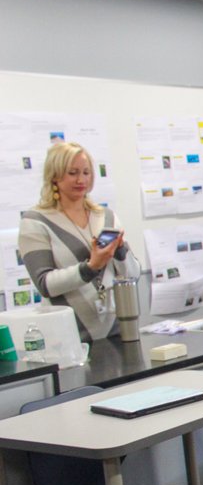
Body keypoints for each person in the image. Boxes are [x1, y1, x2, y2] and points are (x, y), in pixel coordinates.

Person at [19, 141, 133, 341]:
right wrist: (91, 267)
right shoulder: (35, 221)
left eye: (86, 172)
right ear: (55, 175)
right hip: (68, 338)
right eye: (72, 173)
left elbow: (132, 273)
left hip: (115, 331)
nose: (81, 179)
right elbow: (45, 285)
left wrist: (121, 252)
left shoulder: (106, 216)